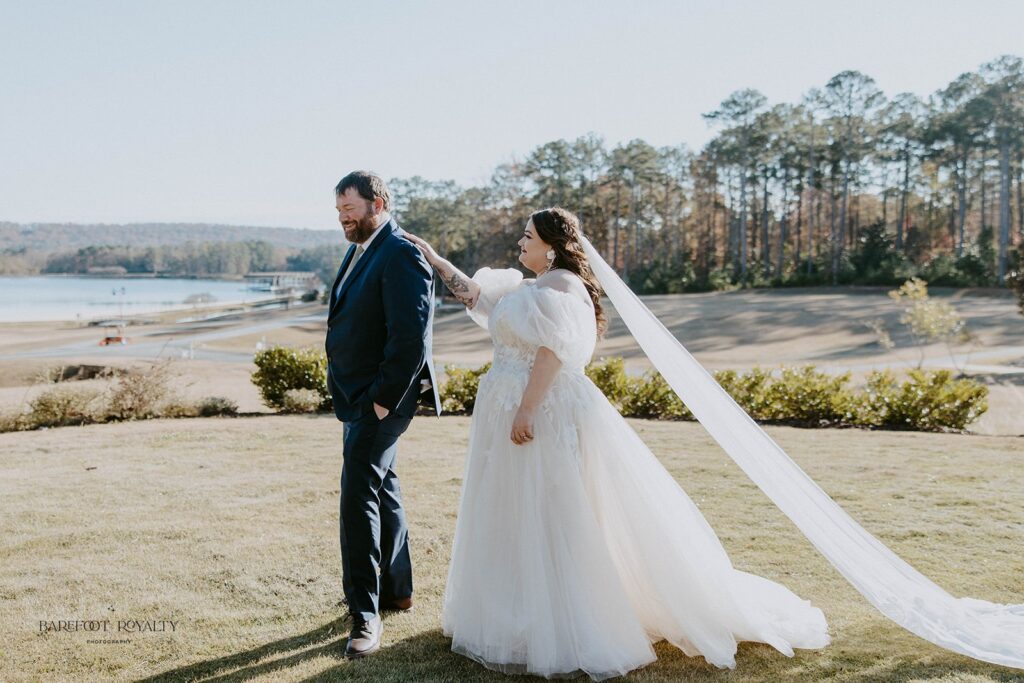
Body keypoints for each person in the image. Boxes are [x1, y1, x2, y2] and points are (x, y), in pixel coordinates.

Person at [404, 208, 830, 680]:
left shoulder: (563, 287)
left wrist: (527, 408)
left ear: (551, 244)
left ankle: (567, 616)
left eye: (527, 237)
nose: (520, 245)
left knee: (553, 509)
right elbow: (480, 298)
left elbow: (552, 350)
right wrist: (437, 260)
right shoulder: (530, 287)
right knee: (514, 509)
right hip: (510, 407)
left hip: (543, 411)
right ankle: (518, 611)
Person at [325, 171, 442, 659]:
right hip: (357, 397)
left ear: (378, 202)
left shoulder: (400, 251)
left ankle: (364, 616)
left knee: (357, 499)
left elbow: (410, 337)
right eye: (338, 211)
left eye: (349, 208)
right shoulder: (361, 246)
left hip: (382, 401)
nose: (342, 217)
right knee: (383, 487)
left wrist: (380, 399)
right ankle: (399, 588)